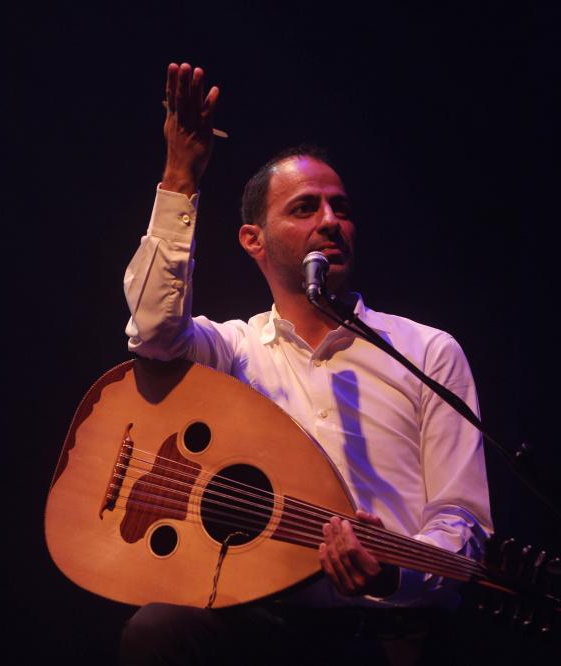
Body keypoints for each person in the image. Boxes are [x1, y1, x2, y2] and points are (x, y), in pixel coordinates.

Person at [119, 62, 493, 665]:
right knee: (158, 629)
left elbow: (461, 519)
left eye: (340, 208)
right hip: (267, 626)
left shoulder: (427, 352)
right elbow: (154, 332)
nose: (330, 222)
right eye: (304, 209)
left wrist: (391, 571)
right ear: (253, 240)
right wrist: (180, 177)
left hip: (388, 634)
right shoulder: (234, 351)